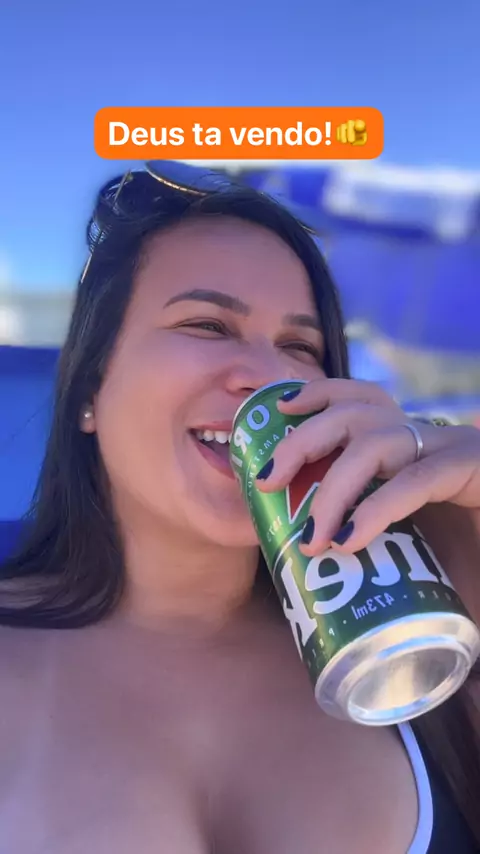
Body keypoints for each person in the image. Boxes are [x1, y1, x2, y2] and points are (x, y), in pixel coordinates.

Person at [0, 161, 479, 854]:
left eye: (300, 346)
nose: (269, 377)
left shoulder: (423, 614)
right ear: (88, 392)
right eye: (207, 325)